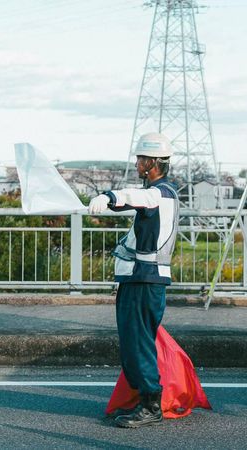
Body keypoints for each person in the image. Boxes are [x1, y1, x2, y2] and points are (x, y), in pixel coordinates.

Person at [88, 132, 179, 428]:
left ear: (152, 162)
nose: (137, 164)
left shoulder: (160, 193)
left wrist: (109, 196)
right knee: (133, 342)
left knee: (138, 343)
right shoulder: (156, 194)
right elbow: (133, 201)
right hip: (140, 278)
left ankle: (151, 406)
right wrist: (110, 203)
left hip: (145, 280)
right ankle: (142, 400)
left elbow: (135, 197)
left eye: (141, 159)